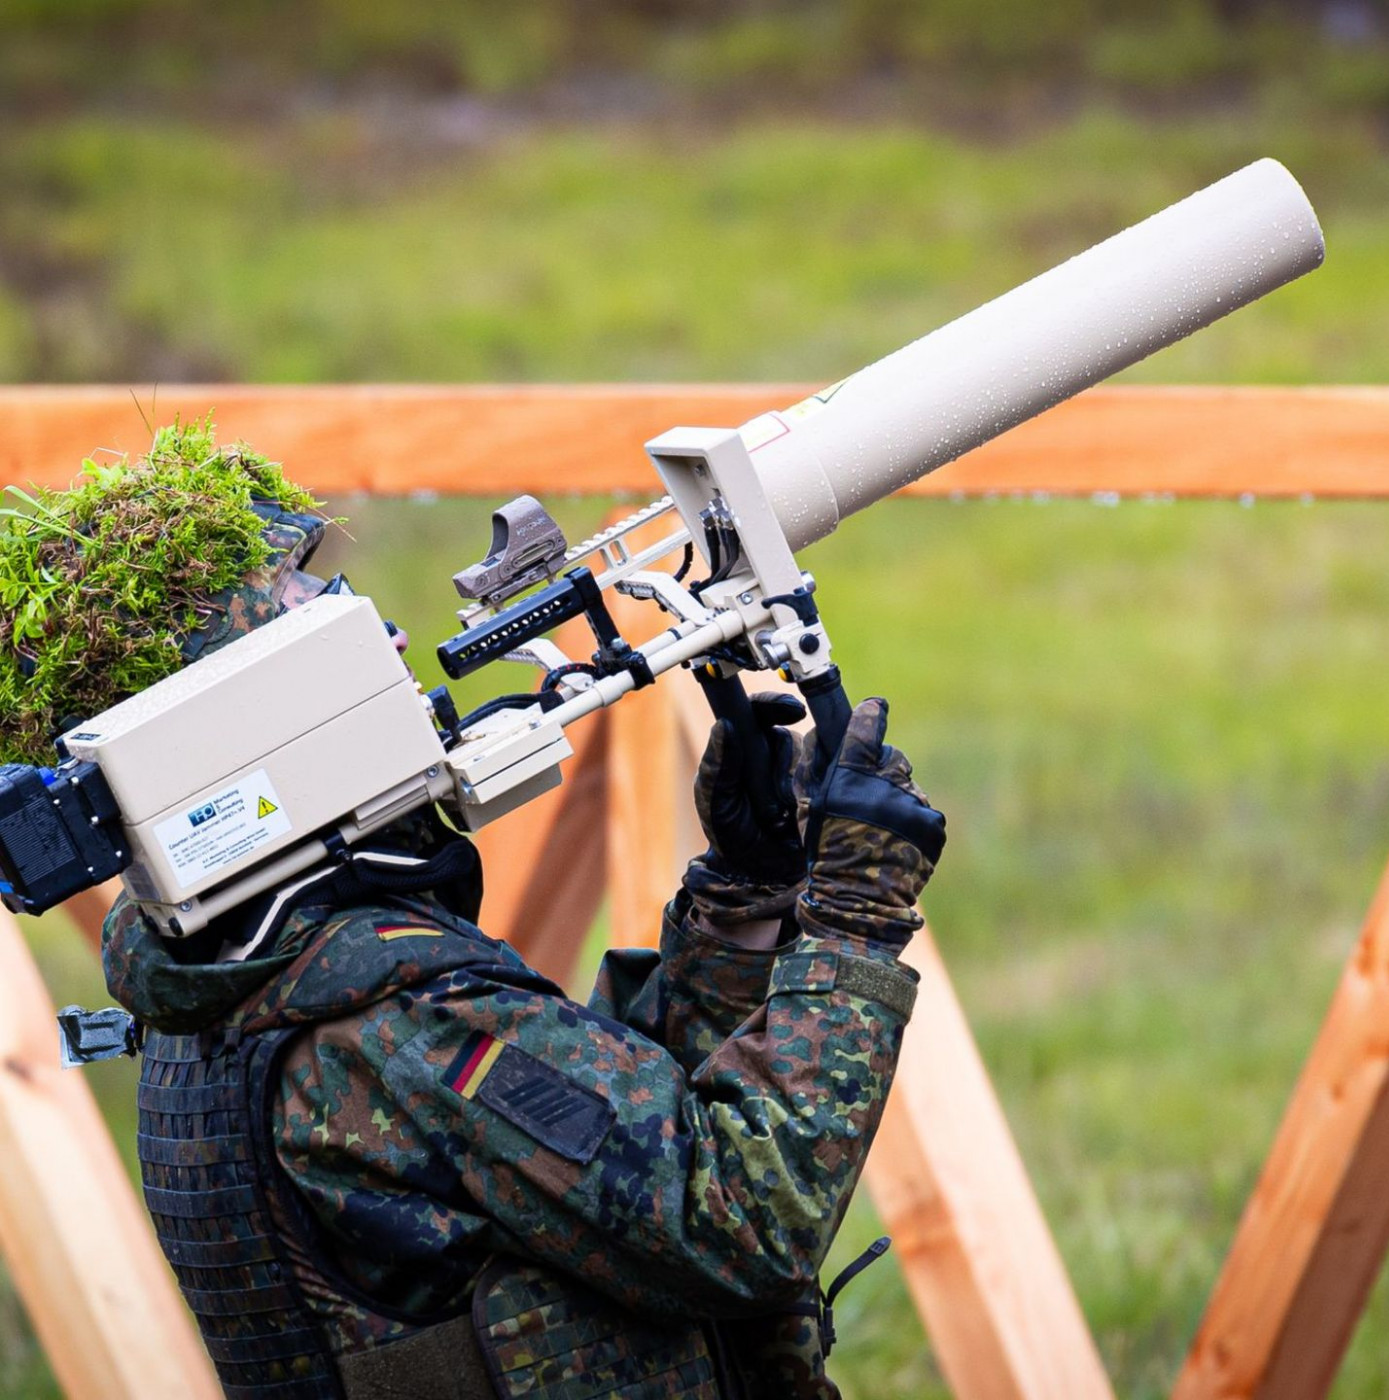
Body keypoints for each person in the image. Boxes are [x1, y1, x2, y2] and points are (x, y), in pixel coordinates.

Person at [4, 426, 945, 1399]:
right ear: (229, 725)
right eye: (322, 618)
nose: (394, 638)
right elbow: (735, 1223)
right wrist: (846, 917)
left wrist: (743, 897)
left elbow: (607, 1151)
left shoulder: (229, 971)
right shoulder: (395, 1024)